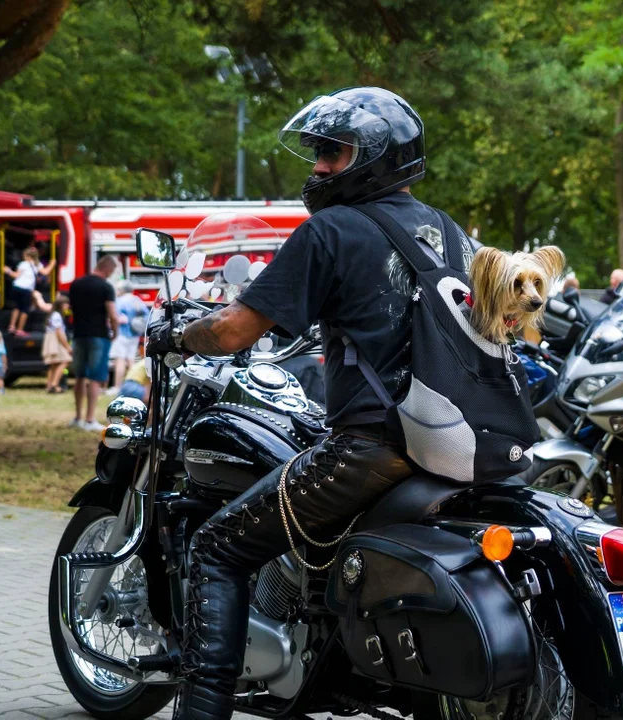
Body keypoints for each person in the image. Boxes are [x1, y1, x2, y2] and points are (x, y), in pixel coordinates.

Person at [145, 87, 478, 720]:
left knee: (218, 546)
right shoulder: (447, 231)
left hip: (373, 449)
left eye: (334, 151)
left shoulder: (332, 230)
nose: (319, 166)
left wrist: (179, 334)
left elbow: (236, 330)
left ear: (377, 157)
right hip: (450, 442)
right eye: (319, 150)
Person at [68, 256, 120, 431]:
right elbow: (112, 314)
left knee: (80, 377)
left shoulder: (76, 284)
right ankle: (90, 420)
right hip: (99, 335)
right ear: (108, 269)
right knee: (96, 378)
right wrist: (115, 331)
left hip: (79, 334)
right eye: (111, 272)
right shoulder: (105, 287)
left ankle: (77, 417)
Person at [107, 280, 148, 396]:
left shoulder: (120, 301)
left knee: (119, 360)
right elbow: (146, 315)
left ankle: (117, 386)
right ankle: (134, 383)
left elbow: (114, 316)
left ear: (121, 290)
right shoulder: (137, 300)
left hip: (122, 333)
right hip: (134, 334)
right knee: (131, 360)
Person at [4, 247, 54, 336]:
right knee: (25, 310)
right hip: (26, 289)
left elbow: (16, 275)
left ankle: (11, 326)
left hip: (16, 287)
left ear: (27, 256)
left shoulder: (22, 264)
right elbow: (45, 272)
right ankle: (20, 330)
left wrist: (8, 271)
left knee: (17, 307)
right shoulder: (37, 265)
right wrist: (52, 264)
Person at [42, 294, 72, 394]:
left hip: (51, 338)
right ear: (61, 305)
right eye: (66, 304)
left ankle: (49, 385)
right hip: (55, 340)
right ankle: (54, 385)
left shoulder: (53, 314)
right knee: (66, 360)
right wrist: (67, 346)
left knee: (53, 364)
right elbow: (59, 332)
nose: (67, 306)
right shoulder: (57, 315)